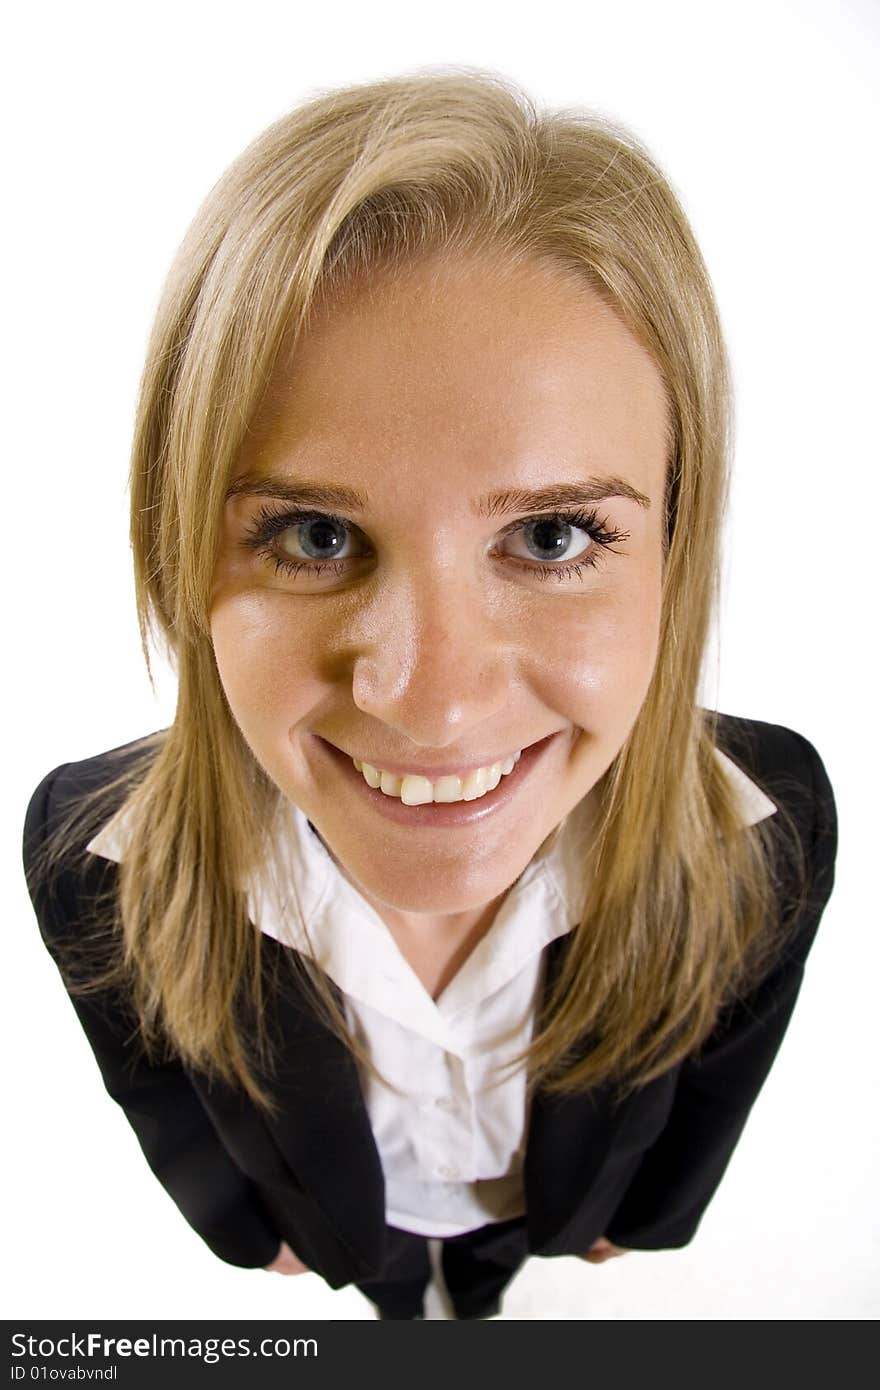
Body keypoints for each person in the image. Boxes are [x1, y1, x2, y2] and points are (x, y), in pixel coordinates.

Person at [22, 69, 837, 1321]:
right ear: (178, 551)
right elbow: (153, 1085)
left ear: (676, 546)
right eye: (310, 535)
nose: (433, 706)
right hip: (352, 1225)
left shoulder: (769, 822)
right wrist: (255, 1232)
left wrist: (644, 1214)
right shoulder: (95, 855)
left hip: (542, 1204)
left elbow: (726, 1059)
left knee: (490, 1286)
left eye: (555, 537)